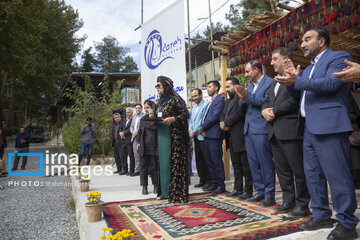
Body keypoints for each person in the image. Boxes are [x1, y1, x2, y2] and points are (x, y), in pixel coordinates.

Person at [275, 27, 358, 240]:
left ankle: (347, 223)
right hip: (309, 127)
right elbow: (302, 91)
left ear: (322, 41)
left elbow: (331, 84)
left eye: (307, 39)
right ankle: (321, 214)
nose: (302, 44)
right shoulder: (310, 67)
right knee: (313, 175)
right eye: (302, 40)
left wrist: (298, 80)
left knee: (337, 176)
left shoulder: (338, 57)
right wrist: (294, 81)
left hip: (329, 125)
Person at [262, 47, 310, 216]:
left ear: (285, 59)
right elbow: (266, 101)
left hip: (290, 131)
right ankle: (288, 201)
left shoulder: (298, 76)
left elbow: (294, 100)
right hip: (274, 132)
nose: (271, 63)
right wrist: (263, 111)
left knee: (298, 171)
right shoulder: (274, 81)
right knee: (282, 171)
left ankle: (303, 204)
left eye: (275, 59)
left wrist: (274, 111)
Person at [235, 60, 275, 207]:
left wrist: (247, 96)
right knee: (254, 163)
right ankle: (260, 191)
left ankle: (270, 194)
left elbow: (265, 102)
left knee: (265, 162)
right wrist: (242, 98)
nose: (245, 74)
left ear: (256, 69)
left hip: (261, 128)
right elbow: (243, 106)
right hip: (249, 128)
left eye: (247, 71)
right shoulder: (250, 86)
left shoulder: (270, 83)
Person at [155, 76, 189, 203]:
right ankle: (164, 191)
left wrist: (173, 119)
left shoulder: (176, 99)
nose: (157, 88)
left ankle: (176, 193)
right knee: (164, 164)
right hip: (162, 136)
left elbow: (185, 114)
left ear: (166, 86)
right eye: (156, 86)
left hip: (176, 137)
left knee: (175, 163)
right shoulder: (159, 102)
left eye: (159, 85)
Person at [220, 77, 252, 199]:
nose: (226, 89)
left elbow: (239, 112)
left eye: (228, 86)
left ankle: (248, 190)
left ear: (236, 86)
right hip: (230, 137)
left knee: (245, 165)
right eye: (226, 86)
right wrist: (222, 123)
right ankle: (237, 188)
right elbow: (222, 114)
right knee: (236, 165)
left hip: (240, 136)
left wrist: (226, 123)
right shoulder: (227, 101)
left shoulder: (241, 98)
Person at [198, 80, 226, 196]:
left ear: (216, 88)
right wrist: (204, 130)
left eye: (209, 87)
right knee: (210, 161)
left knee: (216, 160)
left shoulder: (219, 100)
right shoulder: (210, 101)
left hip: (214, 135)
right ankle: (214, 182)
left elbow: (215, 117)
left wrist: (202, 127)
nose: (207, 89)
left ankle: (221, 184)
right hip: (208, 135)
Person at [188, 88, 211, 189]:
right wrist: (190, 130)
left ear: (201, 95)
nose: (194, 98)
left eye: (196, 96)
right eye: (192, 96)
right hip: (195, 137)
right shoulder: (193, 108)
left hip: (202, 136)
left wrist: (195, 131)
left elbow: (202, 121)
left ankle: (209, 181)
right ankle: (202, 179)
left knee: (206, 160)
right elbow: (191, 121)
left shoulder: (205, 105)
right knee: (199, 160)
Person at [136, 100, 159, 195]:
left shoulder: (157, 119)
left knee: (154, 168)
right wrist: (138, 142)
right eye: (145, 108)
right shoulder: (142, 119)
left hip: (154, 148)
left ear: (152, 108)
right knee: (143, 168)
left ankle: (156, 185)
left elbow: (158, 131)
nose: (146, 110)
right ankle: (144, 187)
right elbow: (140, 132)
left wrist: (153, 120)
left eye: (148, 107)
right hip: (144, 148)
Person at [130, 104, 145, 176]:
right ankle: (137, 170)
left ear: (141, 109)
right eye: (136, 108)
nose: (137, 109)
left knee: (142, 154)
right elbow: (131, 127)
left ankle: (144, 170)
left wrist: (137, 132)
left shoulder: (144, 116)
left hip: (141, 137)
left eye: (139, 108)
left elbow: (143, 127)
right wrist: (132, 132)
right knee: (136, 154)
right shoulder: (134, 117)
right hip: (134, 137)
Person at [119, 108, 135, 176]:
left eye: (128, 112)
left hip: (129, 140)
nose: (127, 114)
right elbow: (121, 127)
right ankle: (124, 169)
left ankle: (131, 170)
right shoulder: (124, 120)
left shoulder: (133, 120)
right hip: (123, 140)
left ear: (131, 113)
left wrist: (124, 133)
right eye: (126, 112)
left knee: (131, 156)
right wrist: (120, 133)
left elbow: (130, 128)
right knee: (123, 155)